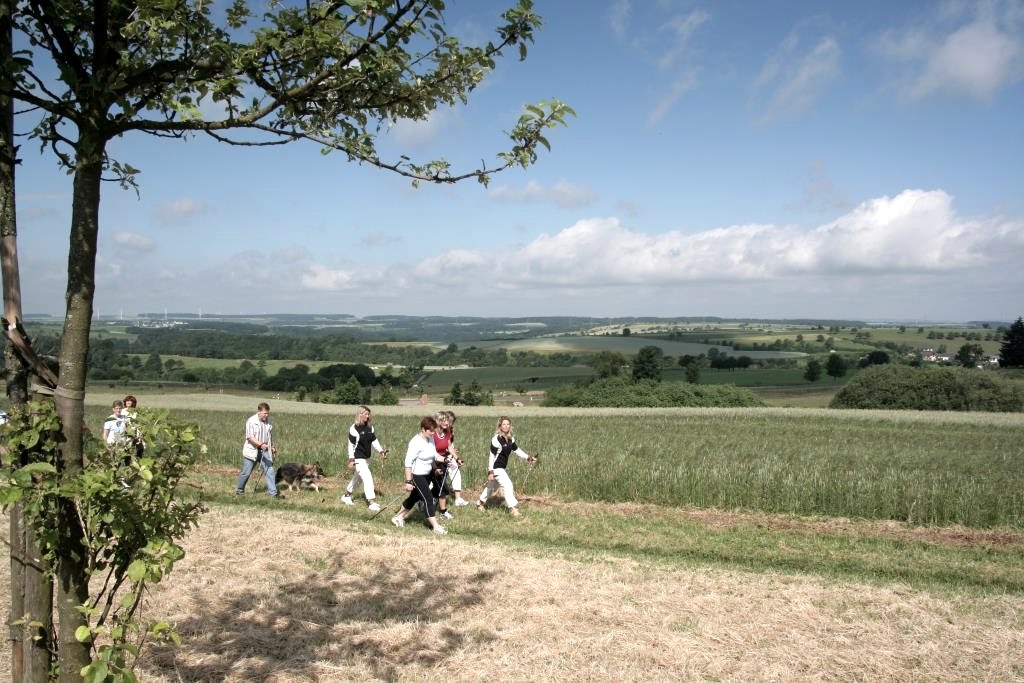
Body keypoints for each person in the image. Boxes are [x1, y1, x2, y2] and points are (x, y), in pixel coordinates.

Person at [391, 416, 448, 535]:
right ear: (423, 429)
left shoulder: (430, 439)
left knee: (414, 498)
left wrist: (444, 460)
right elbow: (408, 462)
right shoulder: (415, 442)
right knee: (428, 498)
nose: (433, 433)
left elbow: (434, 456)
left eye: (433, 431)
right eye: (430, 431)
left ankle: (398, 517)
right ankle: (436, 526)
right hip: (417, 476)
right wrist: (408, 481)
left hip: (427, 474)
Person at [476, 416, 537, 516]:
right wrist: (490, 471)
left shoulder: (510, 439)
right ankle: (513, 509)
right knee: (508, 485)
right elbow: (492, 456)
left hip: (501, 468)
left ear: (510, 426)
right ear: (500, 426)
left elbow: (517, 450)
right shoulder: (496, 439)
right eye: (504, 424)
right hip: (496, 468)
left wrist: (529, 458)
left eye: (508, 424)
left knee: (491, 488)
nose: (506, 426)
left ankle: (480, 503)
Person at [340, 405, 388, 512]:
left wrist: (381, 451)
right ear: (360, 414)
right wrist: (351, 460)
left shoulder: (370, 428)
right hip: (358, 458)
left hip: (367, 458)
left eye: (368, 414)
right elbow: (351, 446)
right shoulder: (354, 429)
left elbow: (374, 441)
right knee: (367, 477)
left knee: (357, 479)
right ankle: (371, 502)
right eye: (366, 414)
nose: (368, 416)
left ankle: (346, 496)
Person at [235, 402, 282, 498]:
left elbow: (269, 437)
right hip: (252, 450)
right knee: (246, 473)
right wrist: (260, 444)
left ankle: (273, 494)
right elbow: (250, 437)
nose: (266, 415)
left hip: (264, 451)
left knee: (270, 470)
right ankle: (239, 491)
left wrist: (271, 447)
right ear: (259, 412)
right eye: (265, 413)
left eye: (268, 413)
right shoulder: (251, 421)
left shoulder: (268, 422)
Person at [429, 410, 461, 519]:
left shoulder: (447, 432)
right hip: (431, 463)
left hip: (443, 462)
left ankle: (423, 501)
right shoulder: (432, 435)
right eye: (443, 420)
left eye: (447, 420)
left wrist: (457, 459)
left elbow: (449, 447)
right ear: (437, 422)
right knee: (442, 487)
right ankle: (443, 511)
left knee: (439, 487)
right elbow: (430, 453)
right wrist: (434, 468)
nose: (447, 422)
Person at [443, 410, 471, 507]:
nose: (450, 424)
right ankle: (425, 499)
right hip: (439, 456)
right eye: (450, 421)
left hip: (449, 455)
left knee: (456, 472)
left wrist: (455, 455)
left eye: (452, 422)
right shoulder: (439, 430)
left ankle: (458, 499)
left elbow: (450, 445)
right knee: (436, 478)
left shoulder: (451, 430)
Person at [122, 394, 145, 458]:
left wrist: (139, 435)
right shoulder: (122, 411)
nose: (128, 402)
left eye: (130, 401)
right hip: (126, 433)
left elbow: (138, 424)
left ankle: (138, 460)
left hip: (135, 433)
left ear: (133, 403)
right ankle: (127, 462)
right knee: (127, 450)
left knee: (140, 448)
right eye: (127, 400)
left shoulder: (135, 412)